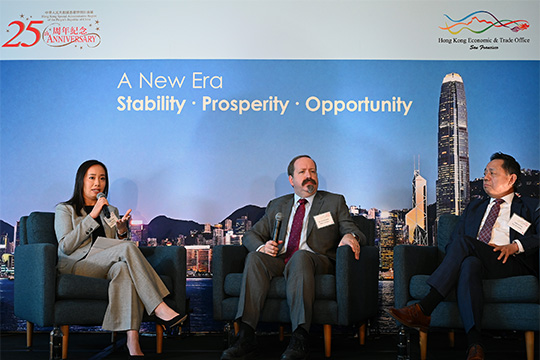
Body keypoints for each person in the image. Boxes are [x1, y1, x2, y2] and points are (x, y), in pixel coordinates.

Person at [387, 152, 539, 360]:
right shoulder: (474, 207)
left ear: (511, 178)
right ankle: (475, 346)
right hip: (476, 260)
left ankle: (425, 307)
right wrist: (458, 260)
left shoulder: (530, 206)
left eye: (492, 173)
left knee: (465, 245)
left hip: (510, 262)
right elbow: (453, 243)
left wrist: (515, 246)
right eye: (485, 172)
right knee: (469, 264)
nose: (485, 177)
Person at [221, 155, 366, 360]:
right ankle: (246, 336)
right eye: (302, 172)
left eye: (312, 171)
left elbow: (351, 229)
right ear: (291, 180)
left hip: (316, 260)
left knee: (300, 257)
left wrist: (351, 236)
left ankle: (300, 337)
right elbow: (250, 235)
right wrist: (263, 247)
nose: (309, 176)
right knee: (254, 258)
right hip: (281, 260)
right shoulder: (277, 205)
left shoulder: (333, 201)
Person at [55, 160, 186, 358]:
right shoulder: (65, 209)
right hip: (78, 265)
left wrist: (122, 232)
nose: (97, 183)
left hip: (106, 265)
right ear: (81, 181)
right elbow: (65, 246)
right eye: (92, 178)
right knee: (126, 249)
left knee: (124, 270)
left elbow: (117, 247)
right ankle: (159, 307)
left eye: (102, 178)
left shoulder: (112, 211)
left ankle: (133, 344)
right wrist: (93, 214)